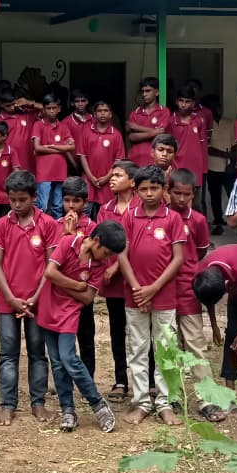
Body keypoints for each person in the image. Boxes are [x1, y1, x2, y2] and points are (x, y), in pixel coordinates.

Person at [39, 220, 127, 433]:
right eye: (105, 253)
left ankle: (97, 403)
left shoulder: (98, 266)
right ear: (96, 241)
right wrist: (75, 284)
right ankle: (68, 409)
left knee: (69, 358)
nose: (107, 259)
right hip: (49, 308)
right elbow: (49, 272)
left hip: (70, 312)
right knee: (57, 363)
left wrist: (65, 284)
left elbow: (88, 298)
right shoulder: (68, 243)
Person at [117, 165, 186, 426]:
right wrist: (138, 290)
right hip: (134, 295)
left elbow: (178, 259)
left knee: (166, 348)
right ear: (136, 190)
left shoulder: (172, 218)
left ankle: (165, 402)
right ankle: (142, 402)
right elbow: (121, 255)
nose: (148, 193)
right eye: (143, 189)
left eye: (154, 188)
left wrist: (153, 289)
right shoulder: (129, 217)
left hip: (164, 295)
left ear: (163, 190)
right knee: (137, 348)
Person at [0, 169, 59, 424]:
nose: (17, 205)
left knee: (37, 352)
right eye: (12, 200)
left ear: (34, 197)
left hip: (38, 301)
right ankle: (8, 404)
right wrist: (10, 298)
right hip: (8, 301)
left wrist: (35, 297)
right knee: (8, 352)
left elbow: (51, 264)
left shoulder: (48, 224)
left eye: (22, 199)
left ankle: (38, 402)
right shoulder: (1, 225)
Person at [193, 244, 237, 415]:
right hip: (236, 287)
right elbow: (208, 299)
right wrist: (215, 326)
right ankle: (230, 396)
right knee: (231, 336)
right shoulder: (204, 272)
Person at [168, 168, 214, 418]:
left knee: (195, 343)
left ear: (194, 193)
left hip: (188, 288)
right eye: (177, 193)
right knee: (169, 344)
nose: (182, 199)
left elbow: (200, 251)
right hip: (164, 289)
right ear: (168, 191)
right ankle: (172, 396)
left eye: (187, 194)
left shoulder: (197, 220)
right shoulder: (162, 218)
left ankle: (206, 399)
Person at [99, 161, 139, 401]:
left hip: (136, 277)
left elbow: (137, 241)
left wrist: (117, 265)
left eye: (118, 175)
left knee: (142, 331)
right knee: (116, 330)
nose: (111, 179)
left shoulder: (142, 206)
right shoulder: (105, 209)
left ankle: (150, 380)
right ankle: (120, 380)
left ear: (132, 182)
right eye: (111, 175)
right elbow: (102, 241)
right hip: (112, 283)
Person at [60, 176, 97, 373]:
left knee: (86, 336)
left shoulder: (91, 227)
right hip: (61, 291)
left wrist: (72, 235)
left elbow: (85, 259)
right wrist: (65, 234)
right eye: (67, 200)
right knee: (63, 336)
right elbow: (56, 258)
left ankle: (88, 375)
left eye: (76, 201)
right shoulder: (55, 225)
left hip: (82, 290)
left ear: (85, 202)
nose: (71, 206)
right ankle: (64, 375)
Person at [32, 95, 72, 218]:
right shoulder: (38, 125)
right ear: (43, 109)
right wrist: (60, 148)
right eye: (48, 108)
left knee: (58, 206)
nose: (51, 111)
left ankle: (57, 234)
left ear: (59, 109)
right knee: (42, 205)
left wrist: (50, 147)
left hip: (60, 172)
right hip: (44, 172)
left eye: (54, 108)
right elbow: (37, 148)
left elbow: (71, 147)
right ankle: (38, 229)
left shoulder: (64, 127)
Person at [80, 100, 123, 215]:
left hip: (108, 182)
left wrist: (107, 177)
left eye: (105, 111)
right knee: (85, 212)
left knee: (106, 213)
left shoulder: (116, 134)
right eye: (99, 111)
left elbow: (118, 160)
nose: (102, 113)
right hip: (88, 180)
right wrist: (90, 177)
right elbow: (82, 156)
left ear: (110, 114)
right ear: (94, 114)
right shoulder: (86, 132)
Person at [170, 87, 209, 208]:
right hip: (176, 168)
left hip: (196, 170)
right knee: (175, 203)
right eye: (181, 101)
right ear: (176, 101)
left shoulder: (199, 121)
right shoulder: (171, 120)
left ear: (193, 103)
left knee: (195, 204)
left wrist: (204, 169)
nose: (183, 104)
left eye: (187, 101)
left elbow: (203, 146)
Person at [126, 77, 171, 167]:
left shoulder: (164, 111)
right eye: (142, 91)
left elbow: (161, 134)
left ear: (157, 92)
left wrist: (136, 127)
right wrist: (155, 131)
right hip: (135, 160)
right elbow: (132, 137)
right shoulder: (134, 113)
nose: (144, 94)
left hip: (155, 161)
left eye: (148, 91)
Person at [206, 96, 232, 235]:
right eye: (213, 107)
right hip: (212, 166)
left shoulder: (229, 123)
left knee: (233, 194)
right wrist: (226, 155)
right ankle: (218, 221)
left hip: (228, 167)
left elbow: (235, 145)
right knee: (215, 196)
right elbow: (207, 148)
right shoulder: (206, 124)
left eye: (218, 106)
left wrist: (232, 162)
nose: (217, 109)